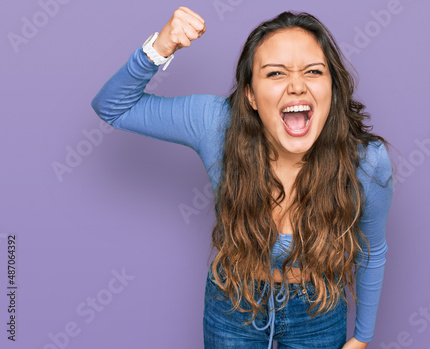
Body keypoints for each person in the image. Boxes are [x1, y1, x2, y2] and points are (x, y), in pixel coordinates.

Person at [91, 6, 393, 349]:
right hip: (235, 302)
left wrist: (362, 338)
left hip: (318, 309)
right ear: (250, 95)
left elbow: (372, 251)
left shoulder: (367, 162)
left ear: (332, 88)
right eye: (275, 73)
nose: (296, 86)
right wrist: (158, 48)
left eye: (313, 71)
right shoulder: (216, 124)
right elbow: (112, 106)